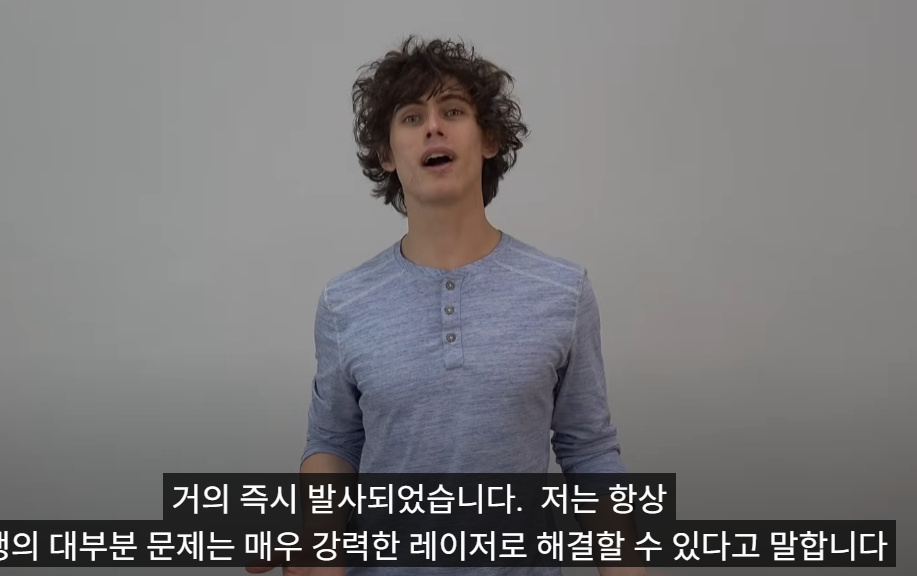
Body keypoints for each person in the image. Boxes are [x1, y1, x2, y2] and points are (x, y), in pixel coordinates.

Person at [248, 36, 670, 576]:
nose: (433, 127)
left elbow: (589, 451)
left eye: (452, 111)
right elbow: (335, 441)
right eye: (410, 117)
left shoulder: (563, 290)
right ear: (386, 155)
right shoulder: (344, 303)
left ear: (488, 138)